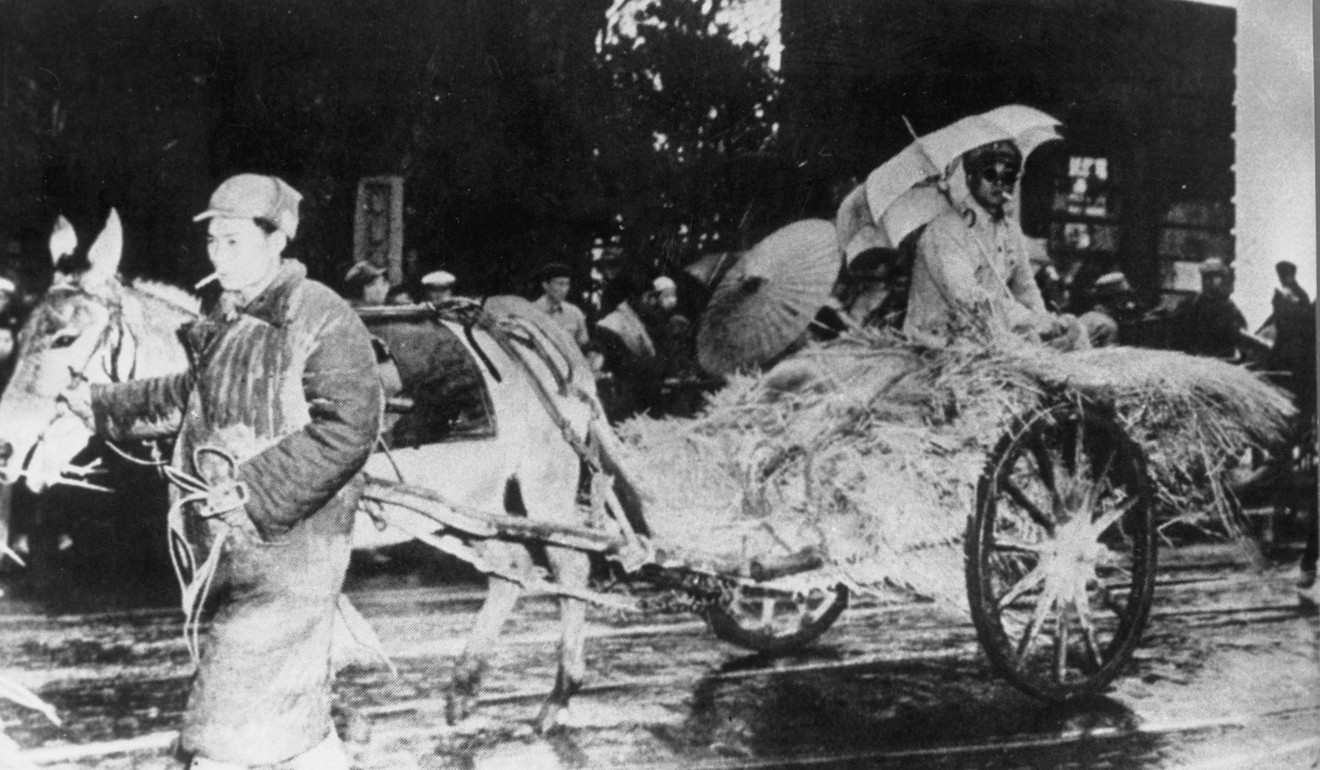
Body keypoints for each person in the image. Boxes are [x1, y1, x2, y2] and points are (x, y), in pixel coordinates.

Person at [63, 173, 383, 769]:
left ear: (278, 239)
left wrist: (254, 492)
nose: (217, 254)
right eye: (213, 242)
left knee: (222, 726)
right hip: (235, 549)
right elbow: (192, 394)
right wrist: (102, 407)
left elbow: (350, 424)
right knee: (286, 724)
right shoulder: (231, 318)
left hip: (294, 546)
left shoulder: (319, 314)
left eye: (233, 241)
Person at [904, 140, 1088, 351]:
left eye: (1008, 175)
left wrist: (1047, 323)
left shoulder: (1011, 230)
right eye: (990, 174)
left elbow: (1026, 289)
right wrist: (1032, 321)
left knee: (1074, 336)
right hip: (938, 343)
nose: (999, 183)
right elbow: (969, 300)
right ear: (971, 177)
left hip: (987, 336)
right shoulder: (944, 232)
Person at [594, 275, 675, 420]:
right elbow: (623, 365)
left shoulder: (642, 319)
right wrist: (660, 368)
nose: (651, 302)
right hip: (624, 400)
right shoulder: (611, 325)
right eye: (648, 297)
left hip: (644, 393)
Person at [1182, 258, 1246, 359]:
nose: (1209, 281)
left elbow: (1240, 332)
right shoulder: (1195, 302)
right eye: (1206, 277)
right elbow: (1186, 331)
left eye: (1214, 277)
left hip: (1221, 358)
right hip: (1198, 357)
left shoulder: (1228, 306)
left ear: (1221, 279)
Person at [532, 262, 589, 349]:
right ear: (545, 285)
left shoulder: (574, 313)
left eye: (567, 284)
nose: (565, 289)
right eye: (560, 284)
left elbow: (584, 346)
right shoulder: (531, 311)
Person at [1077, 271, 1136, 348]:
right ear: (1117, 298)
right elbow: (1108, 358)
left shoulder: (1083, 317)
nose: (1129, 302)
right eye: (1126, 296)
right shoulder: (1109, 326)